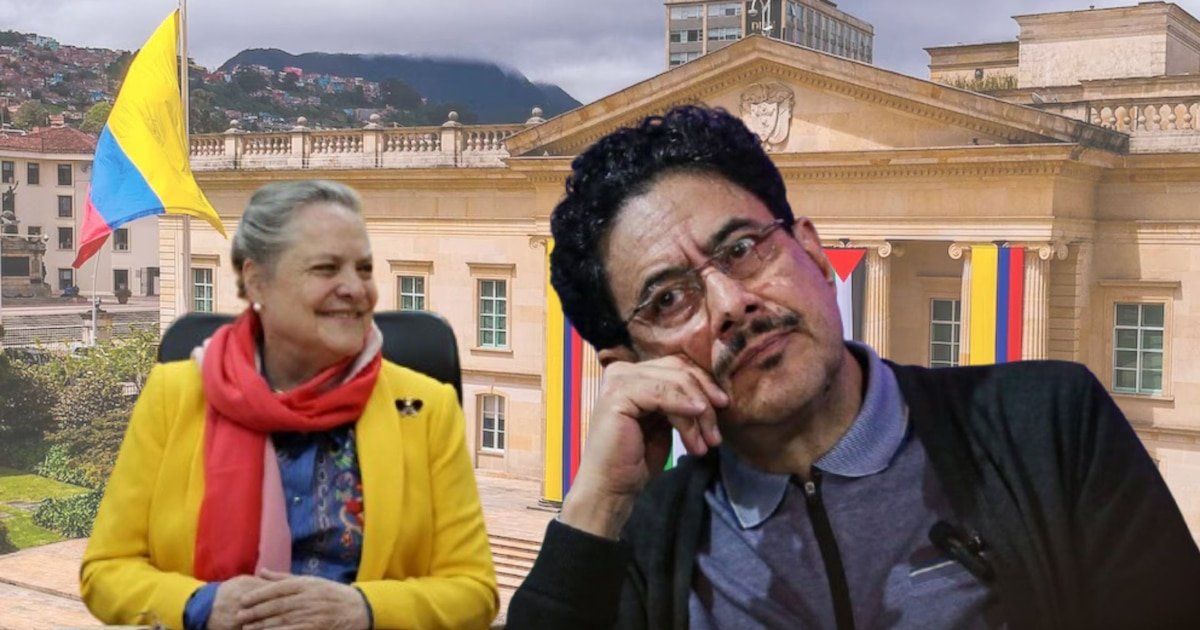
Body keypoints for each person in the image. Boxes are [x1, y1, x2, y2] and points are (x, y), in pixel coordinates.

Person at [507, 106, 1200, 629]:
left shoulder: (1048, 425)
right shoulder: (642, 539)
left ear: (811, 251)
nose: (732, 303)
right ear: (630, 364)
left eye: (744, 248)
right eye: (668, 299)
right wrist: (595, 507)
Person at [81, 180, 498, 630]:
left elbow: (473, 590)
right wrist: (202, 605)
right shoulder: (174, 395)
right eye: (326, 268)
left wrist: (363, 609)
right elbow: (106, 571)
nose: (355, 288)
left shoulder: (427, 408)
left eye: (363, 269)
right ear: (257, 280)